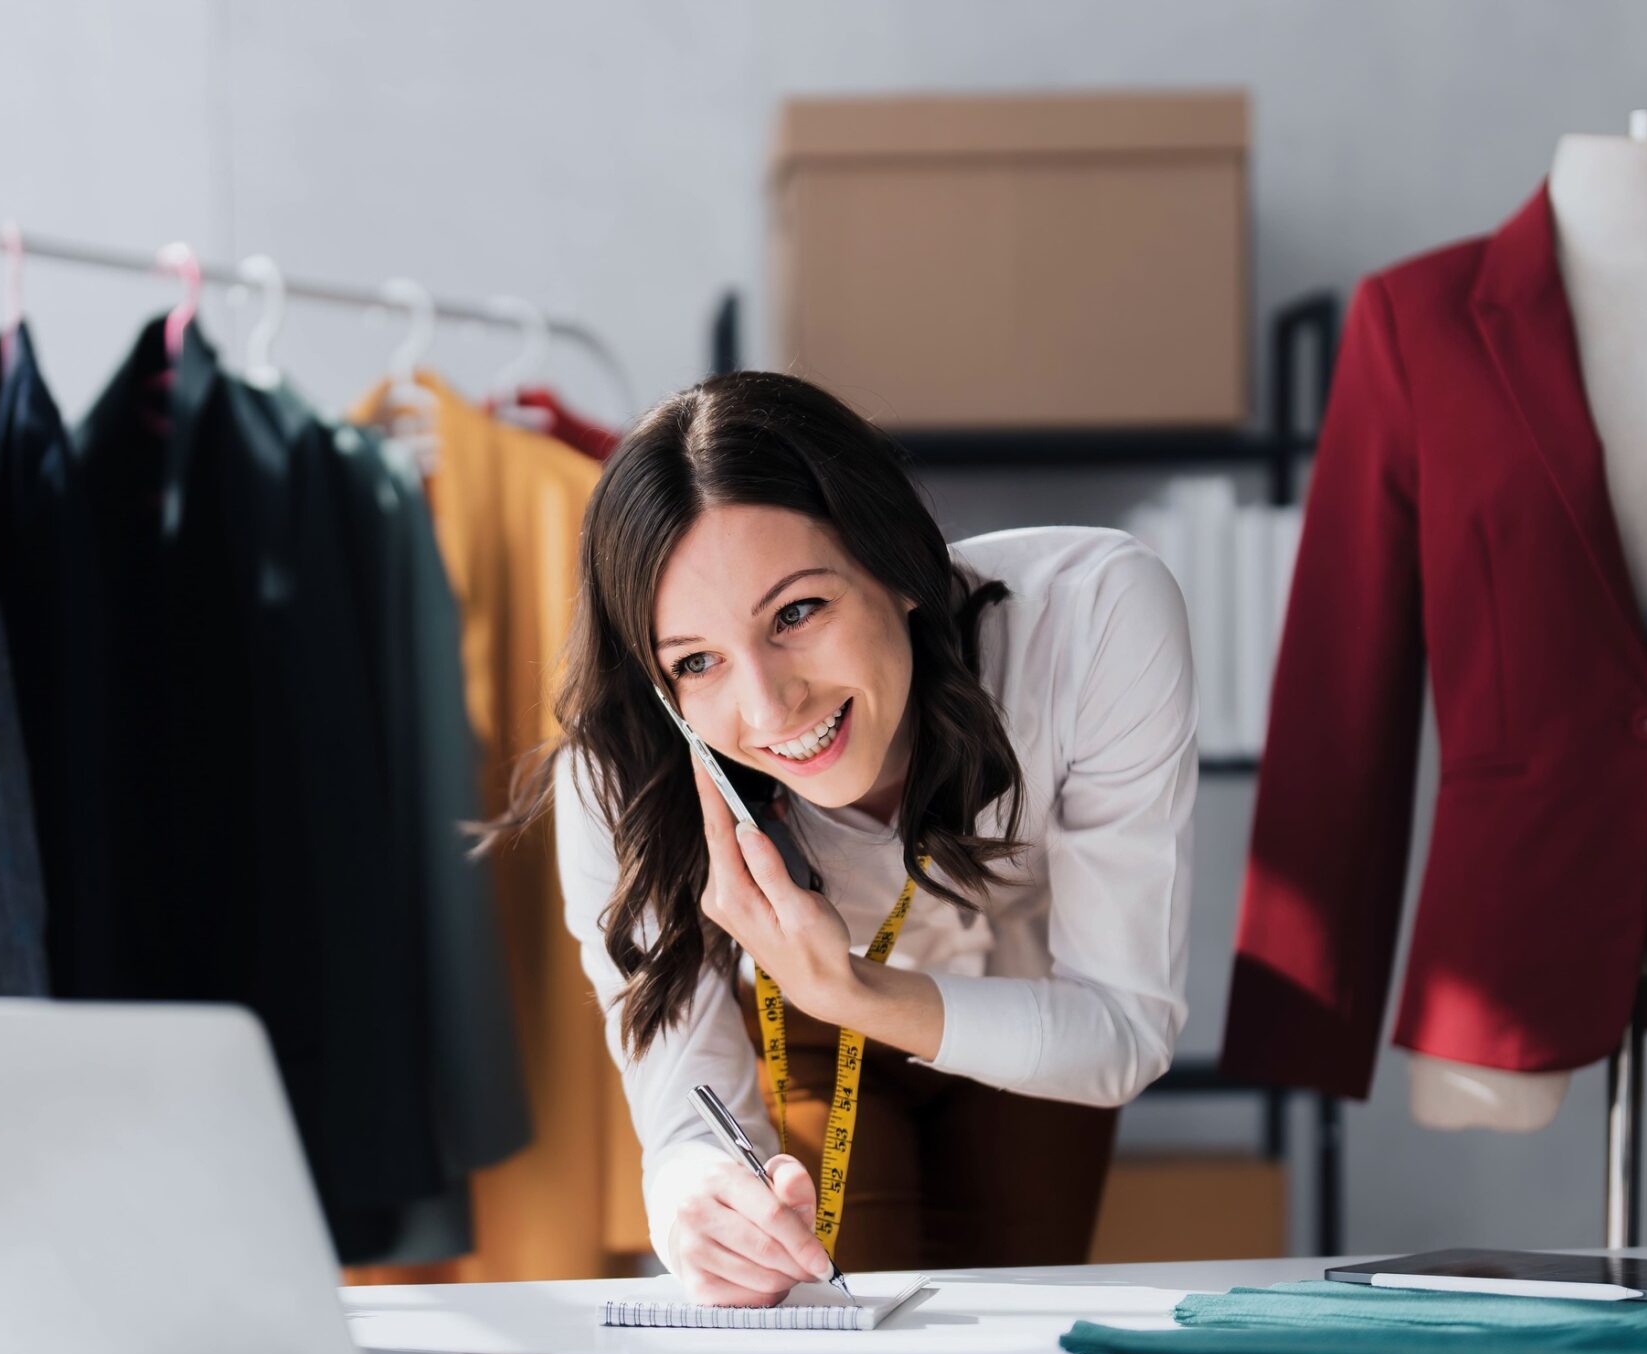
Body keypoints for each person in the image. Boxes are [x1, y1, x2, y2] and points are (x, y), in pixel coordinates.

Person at [486, 371, 1198, 1306]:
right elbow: (681, 1103)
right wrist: (699, 1207)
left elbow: (1124, 1029)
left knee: (1015, 1349)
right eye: (696, 661)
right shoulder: (621, 767)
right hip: (807, 1021)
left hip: (1036, 1014)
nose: (768, 704)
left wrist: (853, 985)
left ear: (898, 562)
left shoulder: (1095, 617)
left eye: (797, 613)